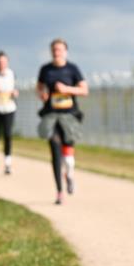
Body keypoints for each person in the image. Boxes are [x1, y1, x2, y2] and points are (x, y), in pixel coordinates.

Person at [36, 38, 88, 204]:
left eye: (59, 49)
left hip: (69, 116)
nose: (56, 52)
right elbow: (39, 87)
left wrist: (67, 89)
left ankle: (69, 175)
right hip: (51, 115)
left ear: (65, 51)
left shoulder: (72, 69)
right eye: (54, 49)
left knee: (68, 155)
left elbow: (84, 90)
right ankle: (59, 191)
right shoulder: (45, 69)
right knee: (54, 150)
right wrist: (42, 94)